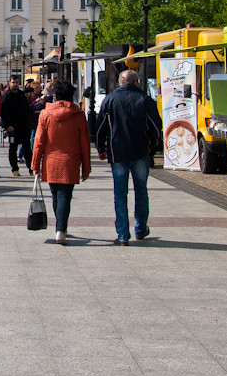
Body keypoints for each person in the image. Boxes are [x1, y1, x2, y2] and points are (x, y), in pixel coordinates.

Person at [96, 69, 162, 245]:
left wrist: (101, 147)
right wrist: (153, 146)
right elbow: (156, 126)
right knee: (141, 190)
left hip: (117, 151)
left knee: (120, 193)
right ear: (136, 82)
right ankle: (140, 229)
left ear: (120, 82)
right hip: (140, 151)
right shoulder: (144, 99)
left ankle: (123, 234)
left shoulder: (110, 99)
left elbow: (100, 125)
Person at [31, 81, 91, 245]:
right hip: (70, 161)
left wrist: (35, 164)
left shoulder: (45, 114)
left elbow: (39, 142)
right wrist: (86, 167)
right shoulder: (78, 115)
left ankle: (60, 226)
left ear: (55, 96)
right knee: (65, 195)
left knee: (55, 194)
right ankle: (61, 228)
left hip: (51, 161)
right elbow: (85, 143)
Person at [1, 76, 33, 176]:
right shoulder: (6, 96)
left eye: (17, 82)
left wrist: (28, 123)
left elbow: (27, 110)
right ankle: (14, 168)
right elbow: (3, 113)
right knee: (13, 148)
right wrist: (7, 126)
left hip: (24, 126)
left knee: (27, 148)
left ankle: (31, 168)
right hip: (12, 128)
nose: (15, 84)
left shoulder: (21, 95)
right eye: (13, 82)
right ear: (9, 83)